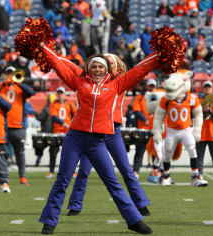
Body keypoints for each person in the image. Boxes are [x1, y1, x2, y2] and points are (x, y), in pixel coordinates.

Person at [38, 44, 159, 234]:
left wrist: (160, 54)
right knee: (62, 179)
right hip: (75, 138)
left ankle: (134, 221)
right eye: (94, 66)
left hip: (97, 141)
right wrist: (42, 47)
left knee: (112, 182)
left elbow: (141, 69)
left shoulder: (117, 84)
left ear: (107, 69)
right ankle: (49, 222)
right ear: (88, 68)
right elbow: (59, 65)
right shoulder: (79, 82)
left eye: (101, 67)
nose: (97, 70)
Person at [64, 53, 151, 217]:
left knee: (126, 169)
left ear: (117, 67)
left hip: (113, 130)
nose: (108, 66)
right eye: (106, 63)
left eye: (111, 63)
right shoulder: (91, 80)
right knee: (83, 170)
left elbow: (140, 69)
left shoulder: (119, 81)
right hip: (93, 132)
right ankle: (75, 205)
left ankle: (141, 204)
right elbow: (71, 67)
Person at [153, 70, 207, 186]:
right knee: (167, 154)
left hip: (186, 130)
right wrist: (156, 132)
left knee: (193, 151)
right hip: (172, 131)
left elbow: (198, 114)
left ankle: (195, 177)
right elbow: (158, 117)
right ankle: (166, 175)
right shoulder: (166, 99)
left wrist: (197, 130)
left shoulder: (192, 98)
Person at [0, 67, 36, 185]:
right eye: (8, 73)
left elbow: (31, 92)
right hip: (3, 125)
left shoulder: (20, 87)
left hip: (18, 126)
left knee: (19, 153)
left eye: (12, 73)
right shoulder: (2, 86)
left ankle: (22, 177)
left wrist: (18, 82)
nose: (10, 75)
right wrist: (4, 83)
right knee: (0, 153)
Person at [47, 86, 77, 178]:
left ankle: (72, 171)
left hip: (68, 132)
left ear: (64, 94)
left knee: (70, 153)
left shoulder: (69, 103)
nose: (60, 95)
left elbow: (76, 114)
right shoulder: (53, 104)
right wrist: (63, 123)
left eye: (61, 93)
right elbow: (54, 116)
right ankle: (51, 171)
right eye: (58, 93)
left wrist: (72, 124)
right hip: (57, 131)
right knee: (53, 152)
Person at [132, 79, 156, 178]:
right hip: (143, 128)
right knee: (139, 151)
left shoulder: (158, 97)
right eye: (149, 86)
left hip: (156, 129)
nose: (150, 88)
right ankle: (136, 172)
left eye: (152, 86)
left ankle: (156, 172)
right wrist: (145, 120)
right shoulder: (140, 97)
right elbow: (136, 111)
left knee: (156, 151)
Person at [34, 94, 56, 167]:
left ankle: (38, 161)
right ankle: (51, 164)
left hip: (45, 131)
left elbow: (40, 118)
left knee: (40, 147)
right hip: (53, 132)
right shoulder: (56, 108)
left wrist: (36, 113)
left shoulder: (46, 108)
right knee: (52, 149)